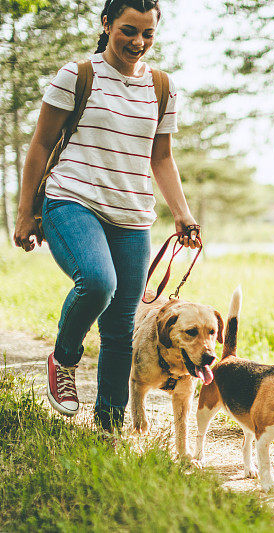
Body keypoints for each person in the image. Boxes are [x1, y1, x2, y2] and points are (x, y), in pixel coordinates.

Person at [13, 0, 199, 431]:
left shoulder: (162, 87)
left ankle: (110, 427)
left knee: (120, 327)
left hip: (133, 215)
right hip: (71, 201)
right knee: (98, 283)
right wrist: (26, 213)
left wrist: (183, 214)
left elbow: (163, 157)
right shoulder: (77, 77)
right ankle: (64, 357)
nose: (138, 42)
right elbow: (40, 145)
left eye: (147, 33)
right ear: (106, 25)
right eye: (128, 30)